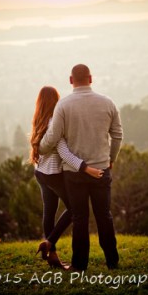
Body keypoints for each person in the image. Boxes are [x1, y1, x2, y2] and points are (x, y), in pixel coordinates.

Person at [39, 64, 123, 271]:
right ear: (91, 78)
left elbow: (52, 138)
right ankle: (112, 261)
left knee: (79, 218)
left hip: (73, 173)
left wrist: (38, 147)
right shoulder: (108, 103)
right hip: (102, 169)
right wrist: (111, 158)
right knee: (104, 215)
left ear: (70, 80)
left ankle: (79, 266)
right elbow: (118, 135)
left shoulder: (64, 106)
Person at [30, 86, 103, 269]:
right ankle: (49, 242)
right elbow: (63, 153)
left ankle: (52, 255)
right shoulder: (54, 121)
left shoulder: (39, 120)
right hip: (53, 174)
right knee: (75, 209)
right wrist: (86, 168)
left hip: (40, 172)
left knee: (49, 211)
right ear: (56, 100)